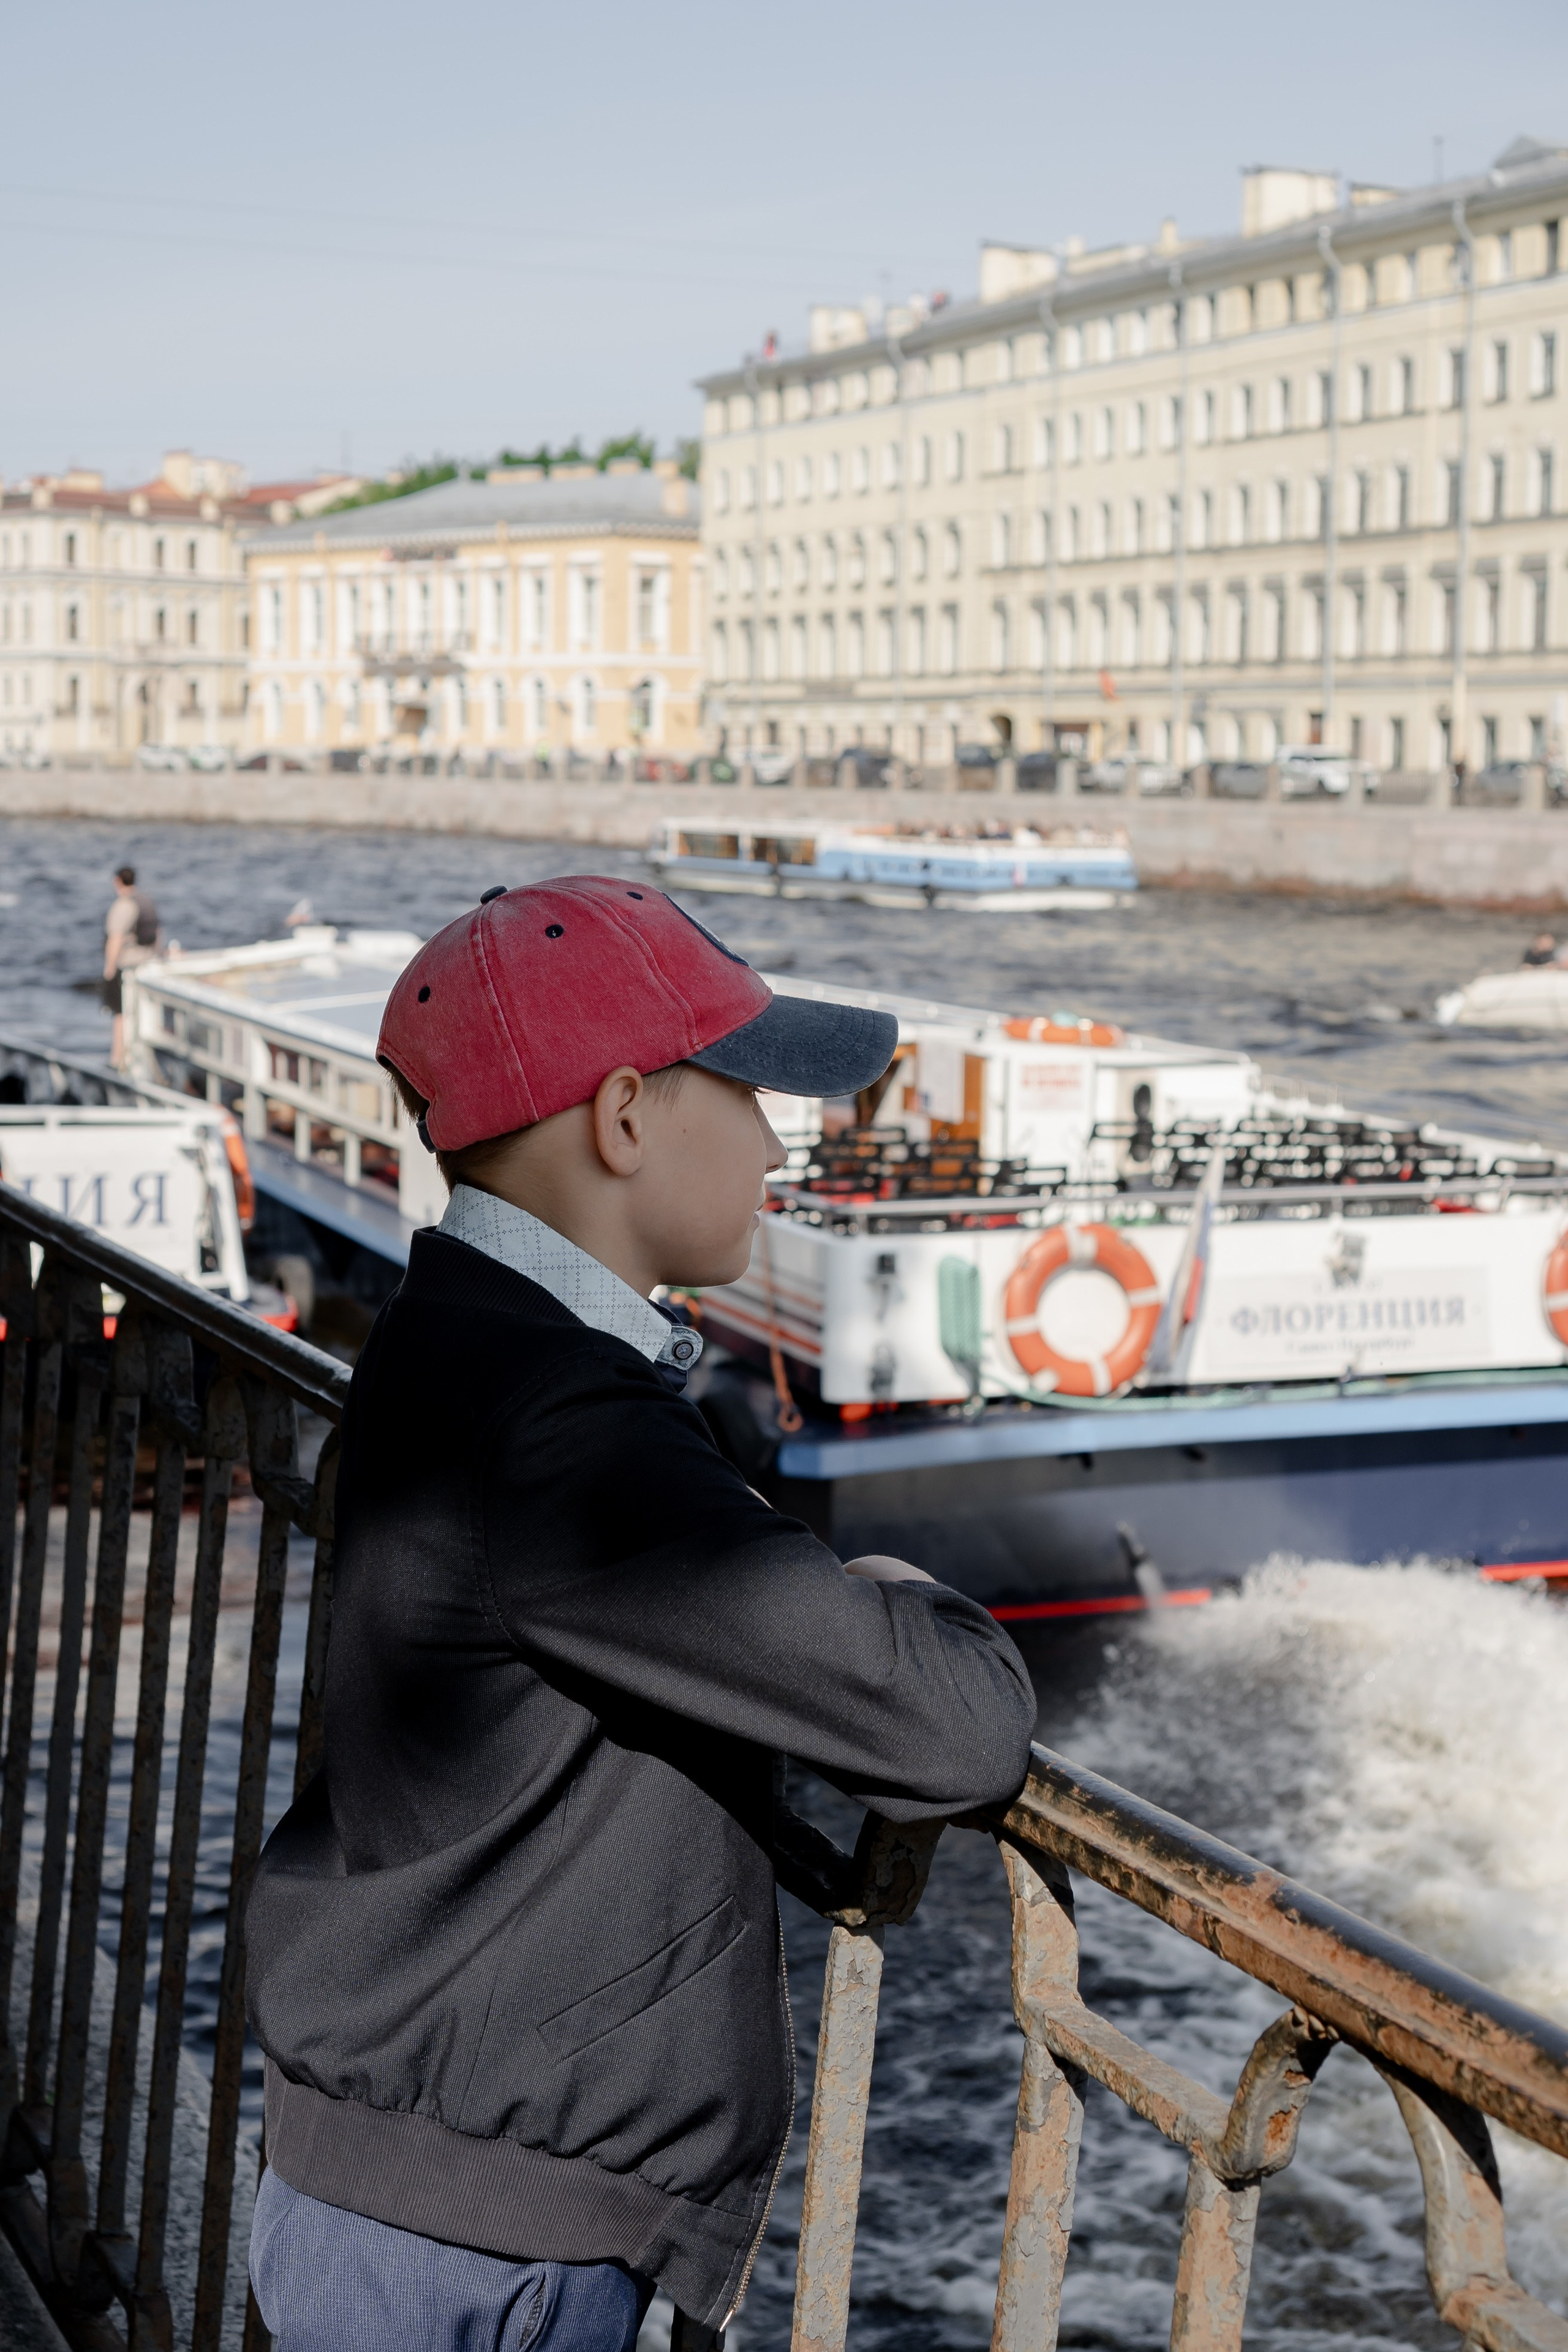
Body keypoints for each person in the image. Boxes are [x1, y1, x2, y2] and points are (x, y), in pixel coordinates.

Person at [244, 877, 1036, 2352]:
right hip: (491, 2246)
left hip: (400, 2179)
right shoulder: (563, 1435)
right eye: (744, 1087)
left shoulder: (446, 1344)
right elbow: (957, 1732)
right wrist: (907, 1589)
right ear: (622, 1118)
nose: (778, 1138)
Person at [102, 864, 161, 1068]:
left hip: (128, 965)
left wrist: (110, 968)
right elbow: (157, 932)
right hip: (148, 963)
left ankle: (118, 1059)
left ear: (118, 881)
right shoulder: (146, 901)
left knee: (119, 1013)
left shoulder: (124, 905)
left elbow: (115, 938)